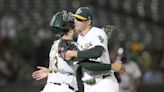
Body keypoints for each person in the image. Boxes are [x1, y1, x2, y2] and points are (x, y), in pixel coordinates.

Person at [32, 10, 125, 92]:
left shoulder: (56, 43)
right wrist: (112, 66)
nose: (76, 23)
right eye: (74, 23)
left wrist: (51, 72)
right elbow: (88, 65)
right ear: (71, 29)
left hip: (50, 87)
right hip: (64, 88)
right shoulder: (71, 45)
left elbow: (64, 67)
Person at [65, 7, 120, 92]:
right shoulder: (79, 39)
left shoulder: (97, 32)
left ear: (88, 21)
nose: (76, 21)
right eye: (75, 18)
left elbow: (97, 52)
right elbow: (84, 64)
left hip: (104, 83)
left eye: (80, 19)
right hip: (88, 86)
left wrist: (75, 54)